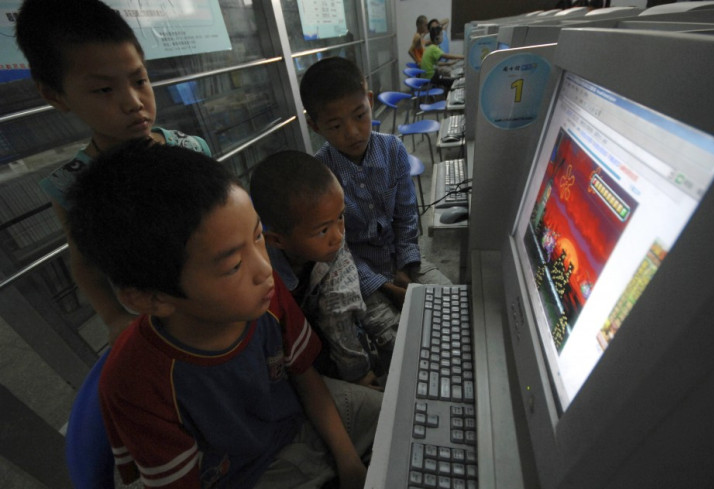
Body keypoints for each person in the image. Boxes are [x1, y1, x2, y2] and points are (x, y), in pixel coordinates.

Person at [66, 139, 382, 489]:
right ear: (151, 298)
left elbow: (306, 379)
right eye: (233, 265)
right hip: (244, 475)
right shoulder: (138, 382)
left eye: (258, 235)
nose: (264, 270)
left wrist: (348, 461)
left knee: (409, 416)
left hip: (302, 422)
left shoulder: (265, 294)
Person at [15, 0, 211, 344]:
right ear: (55, 95)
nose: (133, 101)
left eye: (139, 80)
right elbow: (85, 265)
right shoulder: (72, 186)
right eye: (104, 89)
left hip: (216, 294)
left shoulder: (190, 150)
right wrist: (113, 317)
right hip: (156, 323)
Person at [299, 56, 452, 364]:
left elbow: (407, 215)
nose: (353, 132)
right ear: (314, 126)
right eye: (336, 125)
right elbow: (338, 251)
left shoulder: (392, 149)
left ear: (369, 101)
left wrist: (406, 265)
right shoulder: (320, 175)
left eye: (360, 116)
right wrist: (385, 286)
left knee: (453, 305)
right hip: (359, 276)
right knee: (404, 348)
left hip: (403, 259)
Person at [250, 150, 384, 387]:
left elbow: (341, 308)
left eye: (340, 217)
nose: (338, 235)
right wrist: (359, 376)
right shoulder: (264, 278)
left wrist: (359, 371)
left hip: (334, 333)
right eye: (323, 230)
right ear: (277, 241)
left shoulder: (330, 245)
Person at [420, 25, 464, 89]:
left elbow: (436, 63)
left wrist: (449, 63)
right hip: (430, 78)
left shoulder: (430, 47)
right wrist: (462, 57)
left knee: (448, 77)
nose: (442, 37)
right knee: (453, 81)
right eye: (441, 35)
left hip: (428, 76)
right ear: (436, 38)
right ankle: (448, 97)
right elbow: (447, 56)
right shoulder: (434, 48)